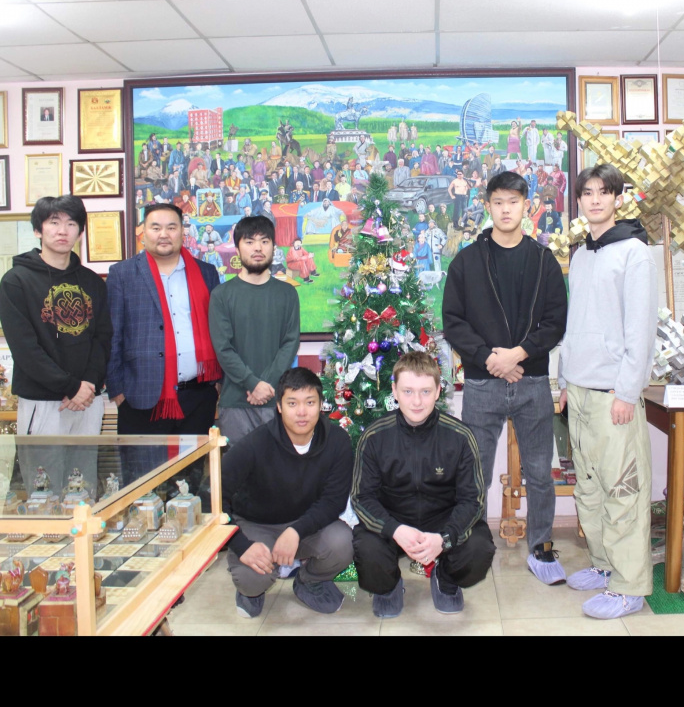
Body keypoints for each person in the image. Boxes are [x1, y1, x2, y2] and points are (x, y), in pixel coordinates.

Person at [442, 171, 568, 586]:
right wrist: (489, 358)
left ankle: (541, 546)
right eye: (498, 202)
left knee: (540, 472)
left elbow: (555, 321)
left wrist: (518, 354)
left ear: (526, 206)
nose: (506, 209)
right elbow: (453, 321)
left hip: (532, 382)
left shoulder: (543, 261)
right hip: (482, 384)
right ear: (488, 206)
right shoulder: (467, 261)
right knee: (474, 471)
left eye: (514, 201)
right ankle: (472, 546)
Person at [558, 164, 657, 619]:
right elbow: (574, 323)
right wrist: (564, 380)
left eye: (604, 192)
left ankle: (629, 586)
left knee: (623, 491)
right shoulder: (582, 254)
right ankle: (603, 566)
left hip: (613, 394)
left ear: (618, 198)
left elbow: (641, 330)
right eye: (587, 193)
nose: (595, 200)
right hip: (579, 391)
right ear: (579, 200)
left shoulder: (635, 252)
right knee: (590, 488)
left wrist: (626, 392)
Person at [351, 351, 494, 617]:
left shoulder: (461, 436)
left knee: (479, 547)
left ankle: (445, 579)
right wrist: (395, 530)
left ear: (438, 391)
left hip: (443, 522)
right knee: (367, 549)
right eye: (408, 391)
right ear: (394, 391)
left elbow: (473, 500)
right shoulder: (374, 437)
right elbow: (361, 498)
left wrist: (445, 538)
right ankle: (388, 587)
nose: (417, 401)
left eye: (425, 391)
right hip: (393, 523)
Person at [0, 195, 112, 494]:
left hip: (87, 399)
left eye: (71, 224)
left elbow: (102, 338)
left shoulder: (92, 282)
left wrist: (88, 384)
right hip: (43, 400)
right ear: (38, 230)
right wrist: (70, 386)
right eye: (54, 222)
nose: (63, 231)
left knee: (83, 486)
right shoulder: (16, 281)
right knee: (43, 488)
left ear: (80, 232)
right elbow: (25, 349)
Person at [105, 203, 221, 491]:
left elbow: (219, 329)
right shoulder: (122, 274)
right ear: (143, 232)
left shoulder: (206, 272)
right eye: (155, 227)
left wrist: (217, 384)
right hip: (141, 397)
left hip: (197, 397)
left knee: (190, 486)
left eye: (171, 227)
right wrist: (118, 392)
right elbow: (112, 334)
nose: (164, 234)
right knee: (142, 486)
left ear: (182, 231)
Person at [222, 367, 354, 618]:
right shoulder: (255, 444)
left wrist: (295, 531)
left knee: (344, 543)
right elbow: (213, 497)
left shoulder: (337, 441)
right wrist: (242, 545)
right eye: (292, 403)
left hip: (308, 526)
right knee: (252, 579)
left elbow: (334, 501)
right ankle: (252, 589)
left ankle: (309, 580)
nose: (302, 412)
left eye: (310, 402)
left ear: (321, 405)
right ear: (279, 407)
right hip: (258, 524)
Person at [209, 216, 301, 443]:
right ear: (237, 248)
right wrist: (252, 383)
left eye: (264, 241)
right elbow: (223, 348)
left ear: (273, 247)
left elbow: (290, 343)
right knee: (238, 465)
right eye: (249, 241)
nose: (258, 248)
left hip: (276, 401)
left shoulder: (287, 293)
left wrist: (265, 386)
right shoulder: (221, 295)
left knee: (279, 465)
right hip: (236, 404)